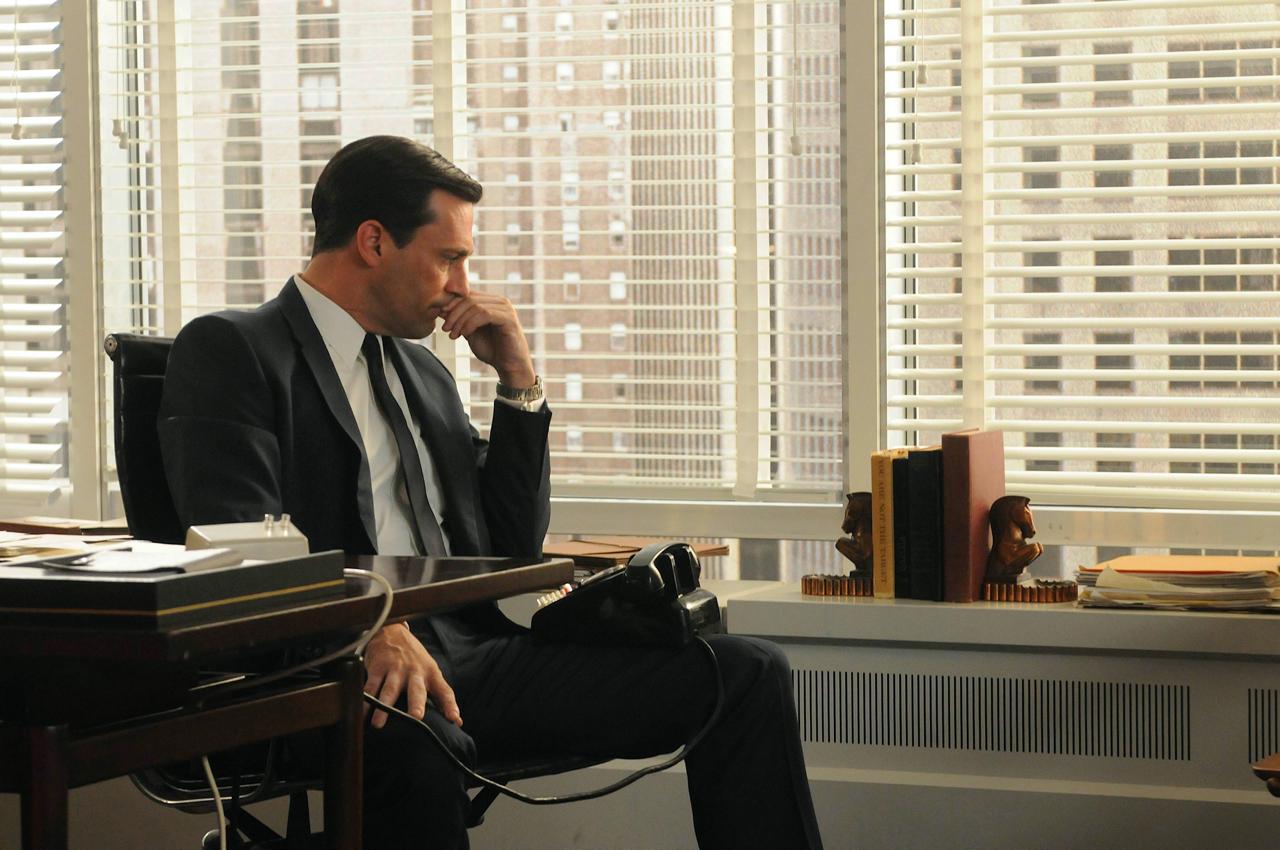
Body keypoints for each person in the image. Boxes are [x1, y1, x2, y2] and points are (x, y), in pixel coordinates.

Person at [158, 135, 823, 849]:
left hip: (473, 650)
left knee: (747, 671)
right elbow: (241, 542)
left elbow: (510, 542)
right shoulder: (234, 349)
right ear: (374, 242)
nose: (463, 285)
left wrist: (519, 381)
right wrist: (368, 626)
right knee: (418, 747)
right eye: (449, 258)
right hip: (331, 667)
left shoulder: (423, 373)